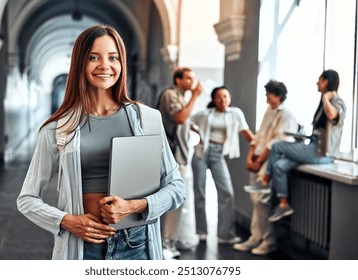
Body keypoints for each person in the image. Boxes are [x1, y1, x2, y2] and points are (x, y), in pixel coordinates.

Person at [16, 24, 186, 260]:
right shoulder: (57, 128)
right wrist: (66, 221)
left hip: (137, 245)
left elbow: (177, 188)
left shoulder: (147, 119)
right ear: (80, 64)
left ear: (122, 63)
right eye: (93, 57)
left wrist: (135, 206)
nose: (105, 66)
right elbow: (27, 199)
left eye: (113, 57)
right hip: (83, 246)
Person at [258, 70, 346, 222]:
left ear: (326, 82)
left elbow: (332, 115)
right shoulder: (322, 103)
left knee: (277, 146)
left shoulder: (337, 102)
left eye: (319, 80)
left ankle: (264, 183)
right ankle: (283, 204)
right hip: (313, 147)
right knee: (279, 165)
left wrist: (326, 96)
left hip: (322, 154)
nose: (317, 83)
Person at [233, 80, 298, 255]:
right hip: (258, 160)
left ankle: (268, 241)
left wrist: (259, 161)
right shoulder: (268, 112)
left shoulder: (287, 116)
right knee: (256, 201)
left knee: (262, 201)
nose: (267, 97)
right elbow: (258, 137)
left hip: (268, 163)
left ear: (277, 95)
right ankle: (255, 238)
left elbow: (275, 144)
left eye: (269, 94)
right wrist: (250, 158)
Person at [190, 86, 254, 245]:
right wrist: (199, 133)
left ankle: (225, 234)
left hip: (218, 154)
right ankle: (202, 232)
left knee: (227, 193)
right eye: (219, 97)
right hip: (200, 153)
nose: (222, 100)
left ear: (230, 98)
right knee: (200, 193)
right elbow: (186, 120)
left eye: (225, 96)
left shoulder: (236, 114)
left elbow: (248, 134)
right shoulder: (205, 114)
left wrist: (260, 150)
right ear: (213, 100)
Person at [157, 67, 203, 258]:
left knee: (175, 200)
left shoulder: (181, 97)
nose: (192, 81)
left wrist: (193, 127)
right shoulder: (170, 94)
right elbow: (179, 117)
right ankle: (166, 245)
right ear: (178, 80)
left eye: (193, 78)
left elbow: (182, 120)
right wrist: (195, 96)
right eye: (188, 78)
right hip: (173, 157)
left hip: (180, 156)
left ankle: (167, 242)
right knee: (172, 201)